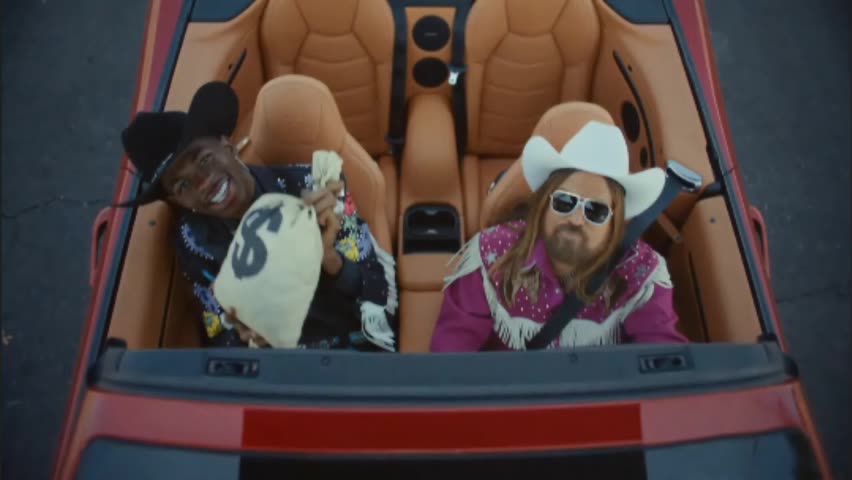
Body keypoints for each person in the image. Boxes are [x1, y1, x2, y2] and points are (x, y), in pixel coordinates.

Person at [118, 81, 397, 350]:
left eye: (204, 159)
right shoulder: (193, 241)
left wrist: (330, 259)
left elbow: (380, 294)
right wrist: (245, 336)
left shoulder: (316, 187)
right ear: (175, 200)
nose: (202, 184)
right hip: (273, 368)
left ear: (226, 145)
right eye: (182, 186)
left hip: (346, 350)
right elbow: (218, 333)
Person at [430, 121, 687, 352]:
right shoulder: (493, 254)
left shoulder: (640, 272)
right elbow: (452, 353)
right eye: (565, 202)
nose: (576, 220)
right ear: (544, 204)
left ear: (615, 221)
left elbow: (662, 360)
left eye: (595, 211)